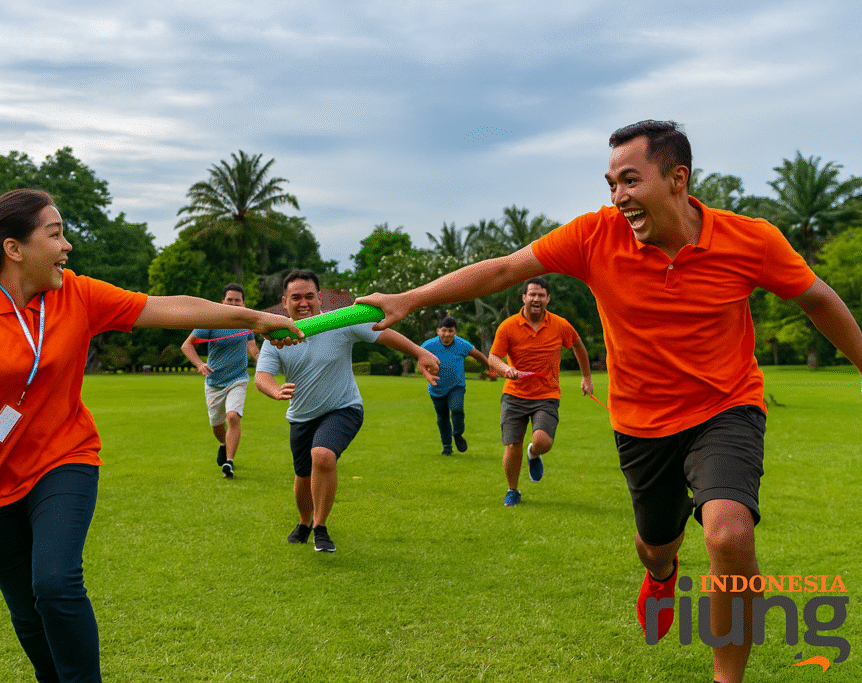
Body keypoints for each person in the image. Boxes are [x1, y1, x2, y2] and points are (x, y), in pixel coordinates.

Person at [359, 121, 862, 683]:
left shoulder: (751, 240)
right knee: (656, 547)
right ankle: (663, 570)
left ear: (677, 178)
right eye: (611, 183)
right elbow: (503, 269)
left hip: (726, 406)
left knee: (729, 533)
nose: (618, 197)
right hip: (642, 423)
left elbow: (817, 298)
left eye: (629, 180)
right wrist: (410, 298)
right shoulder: (596, 235)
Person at [0, 189, 301, 683]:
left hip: (66, 457)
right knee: (26, 608)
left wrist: (252, 318)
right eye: (56, 234)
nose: (67, 246)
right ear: (15, 249)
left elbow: (167, 308)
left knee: (56, 583)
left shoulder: (78, 295)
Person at [254, 269, 440, 553]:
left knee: (323, 455)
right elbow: (261, 375)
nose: (303, 303)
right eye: (296, 298)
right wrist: (274, 390)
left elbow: (382, 332)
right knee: (303, 476)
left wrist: (420, 352)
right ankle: (304, 522)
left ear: (319, 298)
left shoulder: (339, 323)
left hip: (343, 408)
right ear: (284, 302)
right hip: (302, 416)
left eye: (309, 296)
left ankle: (321, 526)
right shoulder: (278, 336)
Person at [487, 276, 593, 506]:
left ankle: (534, 453)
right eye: (532, 294)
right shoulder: (508, 326)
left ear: (548, 299)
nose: (536, 298)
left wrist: (586, 377)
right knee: (512, 444)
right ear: (524, 297)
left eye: (541, 295)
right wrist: (506, 368)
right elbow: (493, 357)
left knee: (543, 441)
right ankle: (512, 490)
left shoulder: (560, 325)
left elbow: (578, 346)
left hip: (546, 395)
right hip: (514, 394)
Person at [180, 283, 260, 478]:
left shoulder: (246, 323)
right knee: (217, 425)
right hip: (214, 382)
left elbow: (253, 348)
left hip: (238, 379)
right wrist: (199, 364)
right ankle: (224, 444)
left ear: (244, 304)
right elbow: (186, 345)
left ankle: (229, 462)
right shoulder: (211, 322)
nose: (233, 303)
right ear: (222, 302)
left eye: (237, 301)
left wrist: (264, 361)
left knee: (233, 416)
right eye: (230, 300)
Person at [420, 316, 491, 455]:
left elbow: (478, 355)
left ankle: (458, 434)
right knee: (442, 418)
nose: (447, 334)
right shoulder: (428, 345)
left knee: (457, 409)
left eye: (450, 331)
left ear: (455, 332)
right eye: (444, 330)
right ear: (438, 331)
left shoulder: (462, 344)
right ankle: (447, 446)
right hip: (436, 388)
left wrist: (491, 367)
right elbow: (417, 358)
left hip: (456, 387)